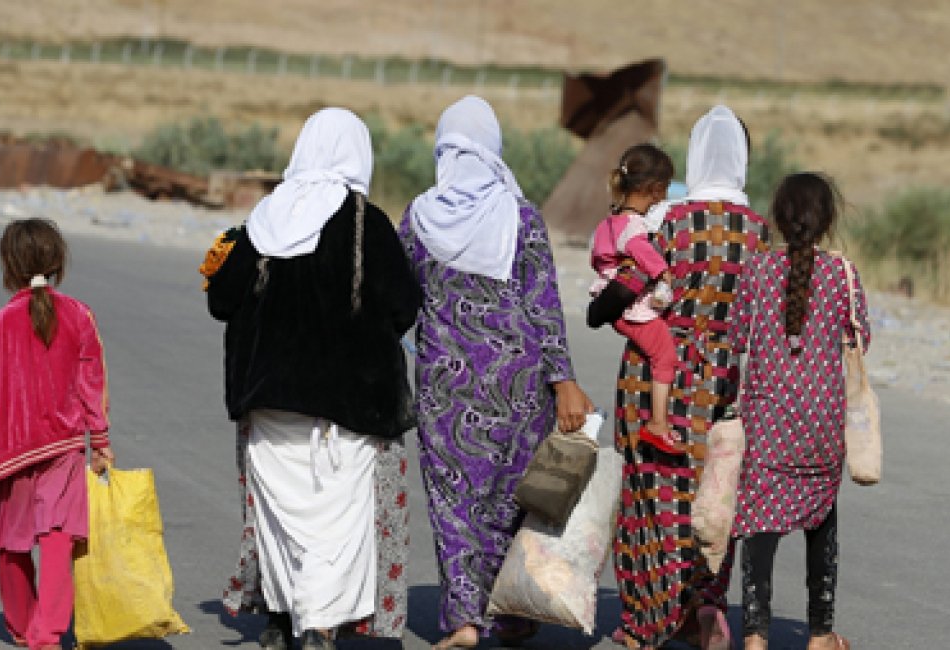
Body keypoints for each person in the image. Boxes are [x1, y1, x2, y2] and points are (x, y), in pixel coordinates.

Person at [200, 107, 422, 650]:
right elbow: (404, 307)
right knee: (334, 521)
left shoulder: (261, 220)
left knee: (280, 517)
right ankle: (319, 623)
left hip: (266, 398)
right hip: (348, 405)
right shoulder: (368, 224)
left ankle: (281, 617)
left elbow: (222, 300)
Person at [400, 94, 595, 650]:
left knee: (455, 501)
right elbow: (544, 302)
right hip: (520, 384)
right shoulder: (521, 215)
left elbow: (397, 296)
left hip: (445, 385)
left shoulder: (418, 217)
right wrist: (564, 379)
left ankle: (465, 621)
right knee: (512, 496)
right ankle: (510, 612)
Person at [611, 105, 769, 650]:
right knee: (710, 496)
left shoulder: (670, 221)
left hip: (652, 376)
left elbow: (628, 284)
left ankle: (644, 623)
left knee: (650, 493)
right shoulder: (757, 231)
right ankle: (704, 606)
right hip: (722, 381)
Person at [0, 218, 114, 650]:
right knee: (58, 538)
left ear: (9, 266)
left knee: (12, 543)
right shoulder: (80, 315)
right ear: (59, 262)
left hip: (11, 453)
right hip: (63, 448)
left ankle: (24, 626)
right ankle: (48, 634)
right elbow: (91, 386)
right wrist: (99, 443)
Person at [728, 172, 868, 650]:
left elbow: (733, 337)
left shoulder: (756, 270)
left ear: (779, 220)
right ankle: (821, 632)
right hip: (822, 424)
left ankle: (754, 636)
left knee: (758, 526)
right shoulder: (842, 275)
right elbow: (859, 338)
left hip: (767, 423)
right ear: (827, 220)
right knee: (820, 521)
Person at [590, 143, 681, 455]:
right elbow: (642, 251)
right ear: (654, 190)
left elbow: (597, 256)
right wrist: (663, 273)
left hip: (611, 302)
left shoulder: (611, 221)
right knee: (664, 355)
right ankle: (658, 422)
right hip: (631, 309)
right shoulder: (635, 227)